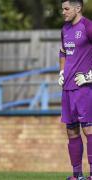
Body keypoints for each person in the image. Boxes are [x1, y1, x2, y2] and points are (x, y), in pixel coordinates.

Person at [58, 0, 92, 179]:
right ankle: (76, 175)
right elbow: (63, 52)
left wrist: (90, 76)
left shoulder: (88, 26)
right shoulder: (64, 29)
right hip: (67, 88)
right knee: (71, 131)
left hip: (84, 88)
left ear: (78, 8)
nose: (63, 12)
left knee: (90, 130)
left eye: (66, 9)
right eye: (62, 9)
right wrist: (62, 71)